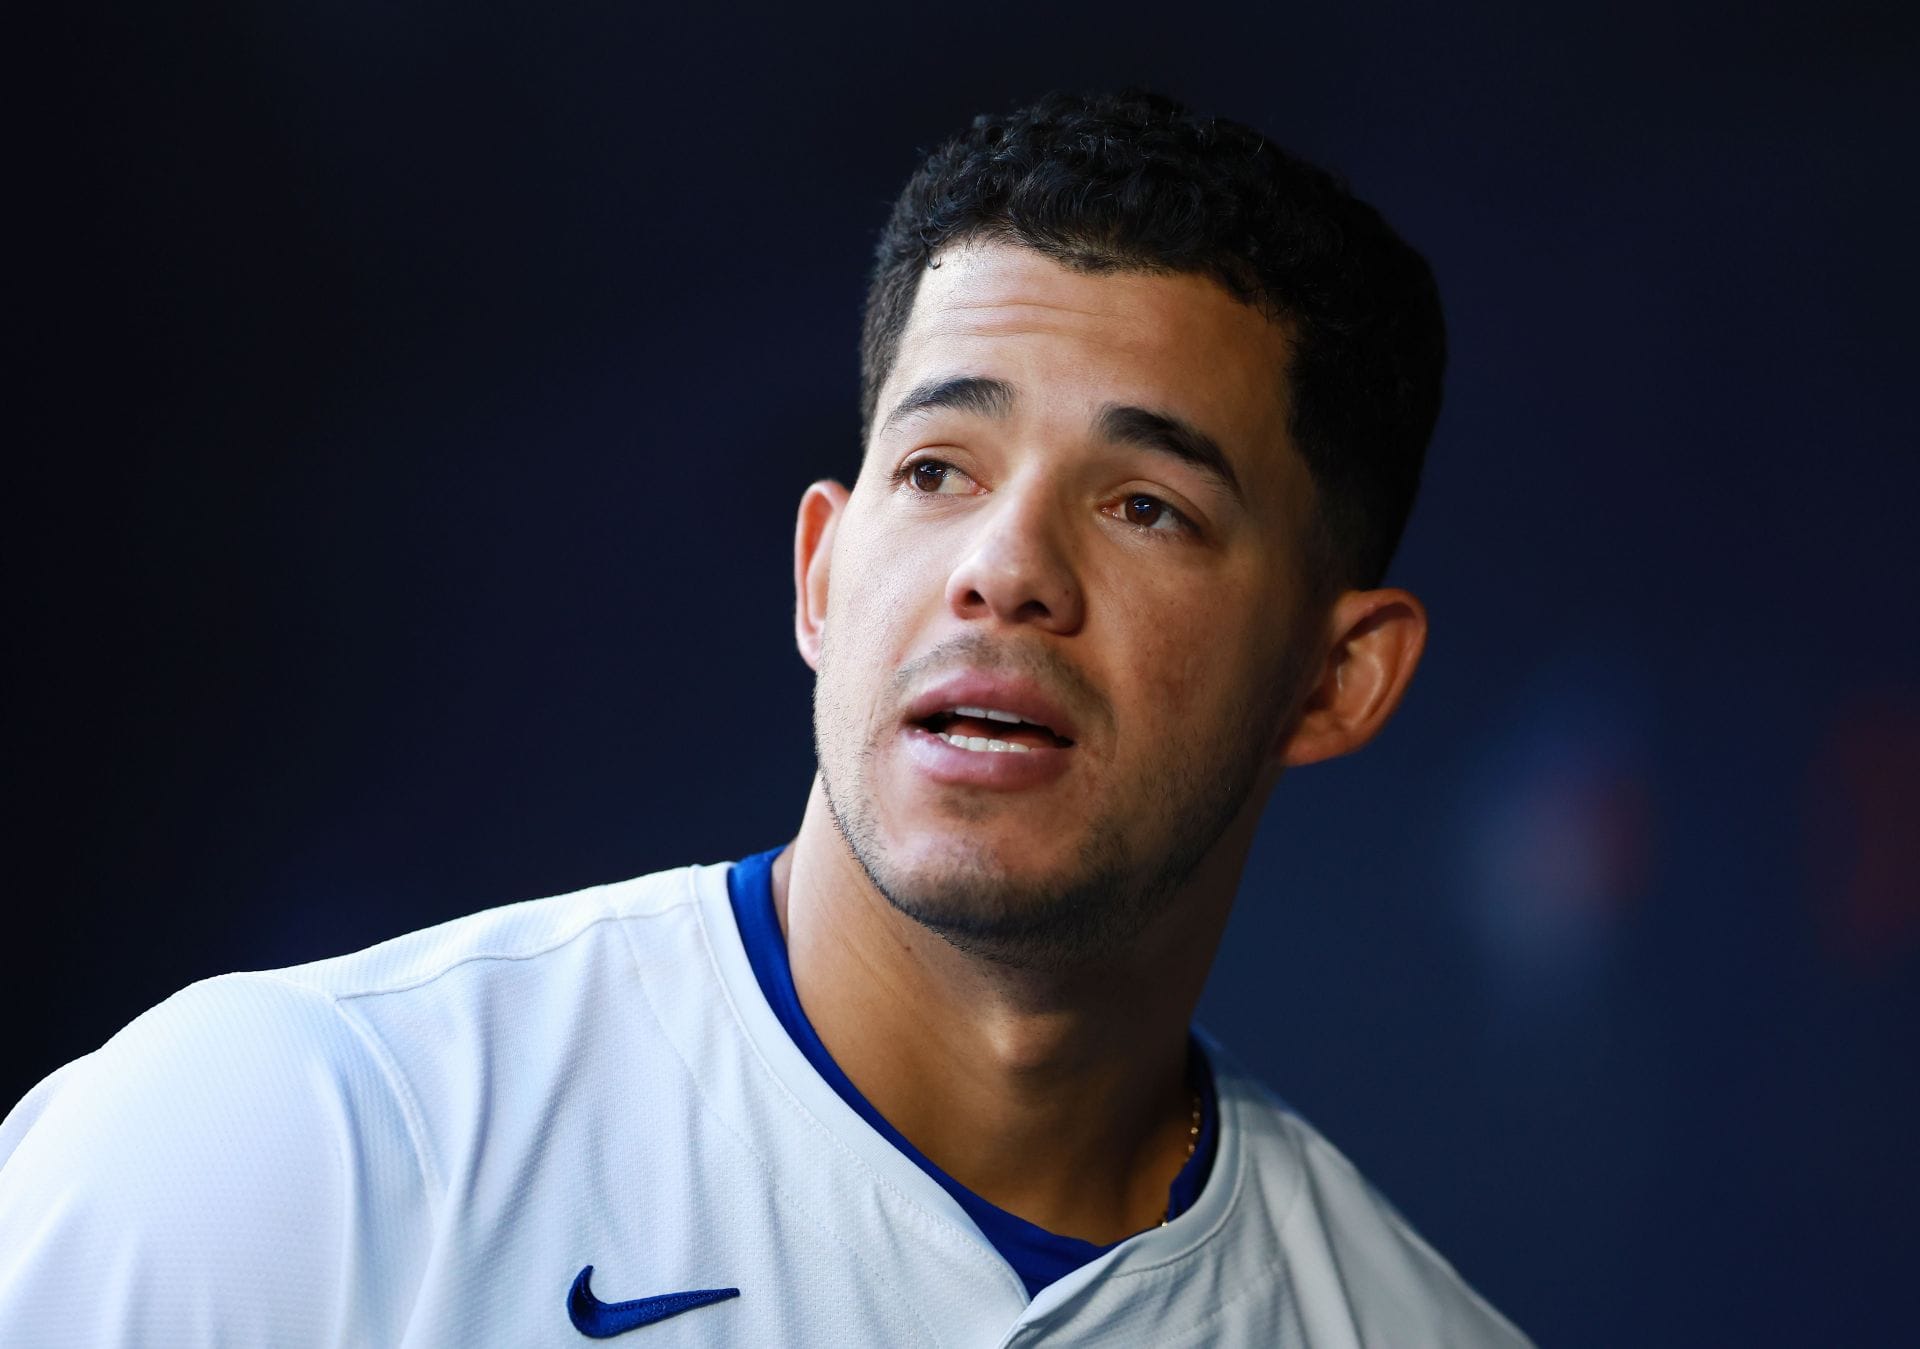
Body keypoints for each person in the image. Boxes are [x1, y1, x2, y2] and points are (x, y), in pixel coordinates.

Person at [0, 90, 1531, 1345]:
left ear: (1338, 679)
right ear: (821, 577)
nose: (1004, 570)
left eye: (1145, 504)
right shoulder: (290, 1142)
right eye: (937, 469)